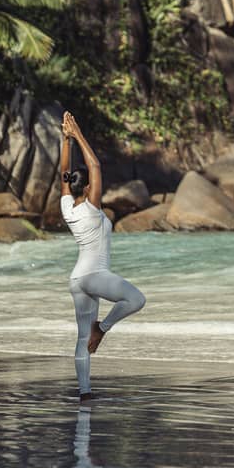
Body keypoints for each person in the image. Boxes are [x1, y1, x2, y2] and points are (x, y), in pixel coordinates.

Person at [60, 111, 145, 403]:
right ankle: (103, 329)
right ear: (86, 188)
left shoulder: (67, 207)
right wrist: (78, 132)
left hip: (77, 280)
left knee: (82, 339)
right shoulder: (90, 208)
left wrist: (65, 140)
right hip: (95, 276)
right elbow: (94, 165)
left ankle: (85, 394)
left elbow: (63, 173)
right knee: (136, 300)